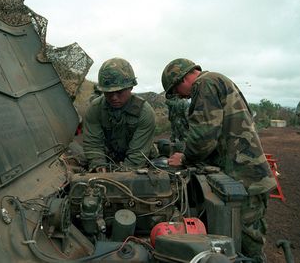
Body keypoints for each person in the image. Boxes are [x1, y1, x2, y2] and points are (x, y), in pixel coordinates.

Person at [161, 58, 276, 262]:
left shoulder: (204, 84)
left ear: (184, 78)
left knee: (248, 243)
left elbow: (204, 136)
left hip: (246, 177)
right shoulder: (217, 81)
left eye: (177, 90)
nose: (180, 96)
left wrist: (185, 157)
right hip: (246, 173)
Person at [83, 57, 156, 172]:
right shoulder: (95, 109)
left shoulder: (144, 112)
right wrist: (98, 164)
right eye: (109, 92)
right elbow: (93, 143)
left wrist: (124, 173)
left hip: (138, 158)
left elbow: (138, 154)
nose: (114, 97)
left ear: (131, 87)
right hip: (109, 157)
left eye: (119, 92)